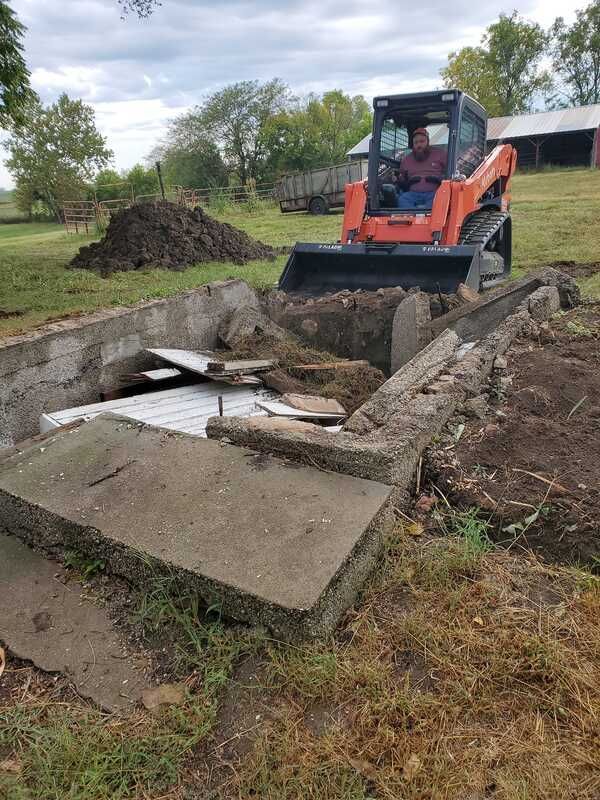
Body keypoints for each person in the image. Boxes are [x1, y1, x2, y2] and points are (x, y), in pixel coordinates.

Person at [395, 128, 447, 210]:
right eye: (416, 142)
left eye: (422, 141)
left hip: (434, 193)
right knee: (402, 199)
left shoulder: (440, 154)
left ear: (428, 142)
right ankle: (413, 219)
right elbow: (401, 178)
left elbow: (450, 173)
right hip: (413, 194)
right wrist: (397, 178)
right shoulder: (406, 160)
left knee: (439, 201)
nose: (419, 145)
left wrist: (440, 179)